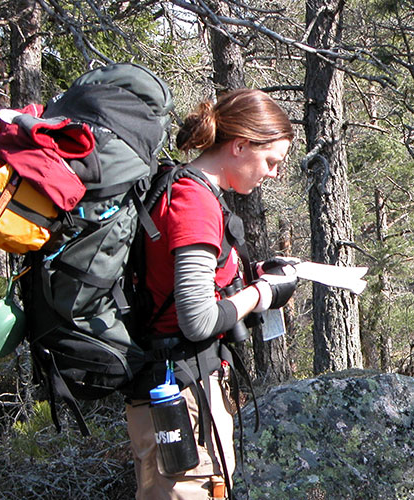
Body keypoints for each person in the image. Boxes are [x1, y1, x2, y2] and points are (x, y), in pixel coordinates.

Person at [124, 88, 298, 500]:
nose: (272, 173)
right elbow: (198, 318)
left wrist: (251, 275)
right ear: (240, 146)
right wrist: (261, 294)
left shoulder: (179, 185)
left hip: (175, 386)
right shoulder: (195, 202)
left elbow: (181, 282)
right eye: (271, 161)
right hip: (180, 390)